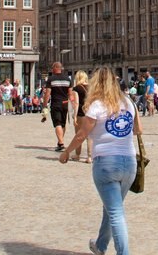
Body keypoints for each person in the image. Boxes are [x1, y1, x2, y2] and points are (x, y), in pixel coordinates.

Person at [59, 66, 141, 255]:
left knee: (115, 213)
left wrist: (66, 154)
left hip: (106, 164)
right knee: (112, 207)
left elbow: (81, 135)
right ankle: (100, 246)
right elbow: (138, 130)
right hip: (129, 163)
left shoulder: (97, 105)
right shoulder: (128, 102)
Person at [43, 62, 71, 151]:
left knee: (57, 123)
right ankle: (60, 142)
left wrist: (44, 105)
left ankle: (61, 143)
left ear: (56, 68)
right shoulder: (68, 79)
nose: (51, 69)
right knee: (63, 123)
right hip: (65, 103)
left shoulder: (51, 79)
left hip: (56, 103)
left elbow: (47, 93)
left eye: (52, 68)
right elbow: (70, 94)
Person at [70, 70, 92, 162]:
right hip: (91, 113)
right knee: (89, 136)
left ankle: (77, 155)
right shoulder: (91, 87)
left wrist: (74, 116)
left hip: (81, 114)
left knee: (79, 135)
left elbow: (76, 103)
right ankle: (90, 157)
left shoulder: (76, 89)